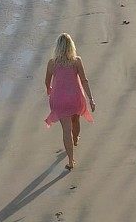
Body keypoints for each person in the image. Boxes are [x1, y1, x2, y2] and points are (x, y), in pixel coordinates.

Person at [44, 33, 95, 170]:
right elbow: (84, 80)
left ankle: (71, 161)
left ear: (57, 48)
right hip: (75, 98)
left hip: (59, 100)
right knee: (76, 120)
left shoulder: (52, 63)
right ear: (71, 46)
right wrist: (91, 98)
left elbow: (47, 82)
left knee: (66, 130)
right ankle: (76, 139)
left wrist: (49, 90)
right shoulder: (76, 61)